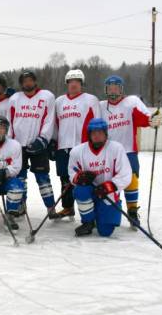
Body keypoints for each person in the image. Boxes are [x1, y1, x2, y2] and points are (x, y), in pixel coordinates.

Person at [99, 75, 162, 226]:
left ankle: (132, 212)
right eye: (110, 88)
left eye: (116, 88)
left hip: (128, 150)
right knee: (108, 182)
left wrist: (154, 120)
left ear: (121, 89)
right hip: (107, 152)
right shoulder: (101, 106)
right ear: (106, 90)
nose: (113, 91)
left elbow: (144, 118)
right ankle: (108, 210)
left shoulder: (131, 102)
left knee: (131, 179)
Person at [68, 118, 133, 237]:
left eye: (100, 133)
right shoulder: (77, 151)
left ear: (106, 134)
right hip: (90, 191)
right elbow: (71, 172)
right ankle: (88, 222)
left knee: (105, 232)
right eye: (94, 133)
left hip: (108, 194)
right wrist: (79, 178)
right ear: (89, 135)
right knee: (80, 190)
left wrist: (110, 186)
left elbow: (125, 174)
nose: (97, 136)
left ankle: (99, 215)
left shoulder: (116, 148)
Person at [52, 69, 100, 219]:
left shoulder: (91, 99)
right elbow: (54, 123)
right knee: (65, 178)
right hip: (63, 146)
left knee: (85, 178)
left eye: (77, 82)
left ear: (81, 83)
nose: (73, 85)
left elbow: (97, 121)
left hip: (83, 146)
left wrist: (95, 143)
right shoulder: (59, 101)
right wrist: (53, 142)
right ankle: (68, 207)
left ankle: (92, 209)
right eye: (71, 82)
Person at [8, 70, 56, 216]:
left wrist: (43, 139)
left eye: (30, 80)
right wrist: (9, 142)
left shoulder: (47, 96)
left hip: (38, 144)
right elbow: (9, 120)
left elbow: (49, 119)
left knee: (43, 178)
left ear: (35, 81)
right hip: (18, 146)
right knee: (20, 178)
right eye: (24, 81)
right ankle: (21, 206)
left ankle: (50, 207)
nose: (27, 83)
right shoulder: (15, 98)